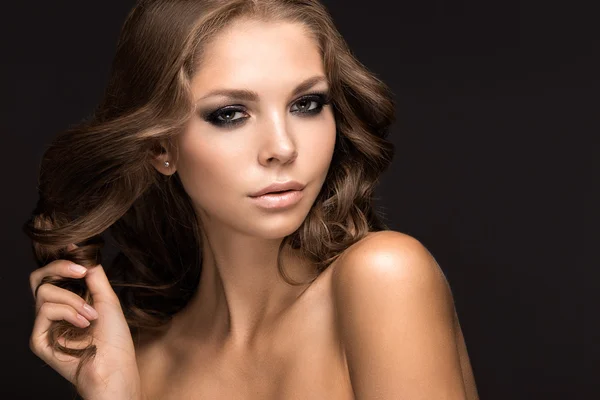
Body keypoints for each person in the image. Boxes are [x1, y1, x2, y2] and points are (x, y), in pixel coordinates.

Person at [24, 0, 479, 399]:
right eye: (231, 114)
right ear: (160, 147)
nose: (282, 147)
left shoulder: (383, 277)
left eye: (307, 104)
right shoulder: (138, 360)